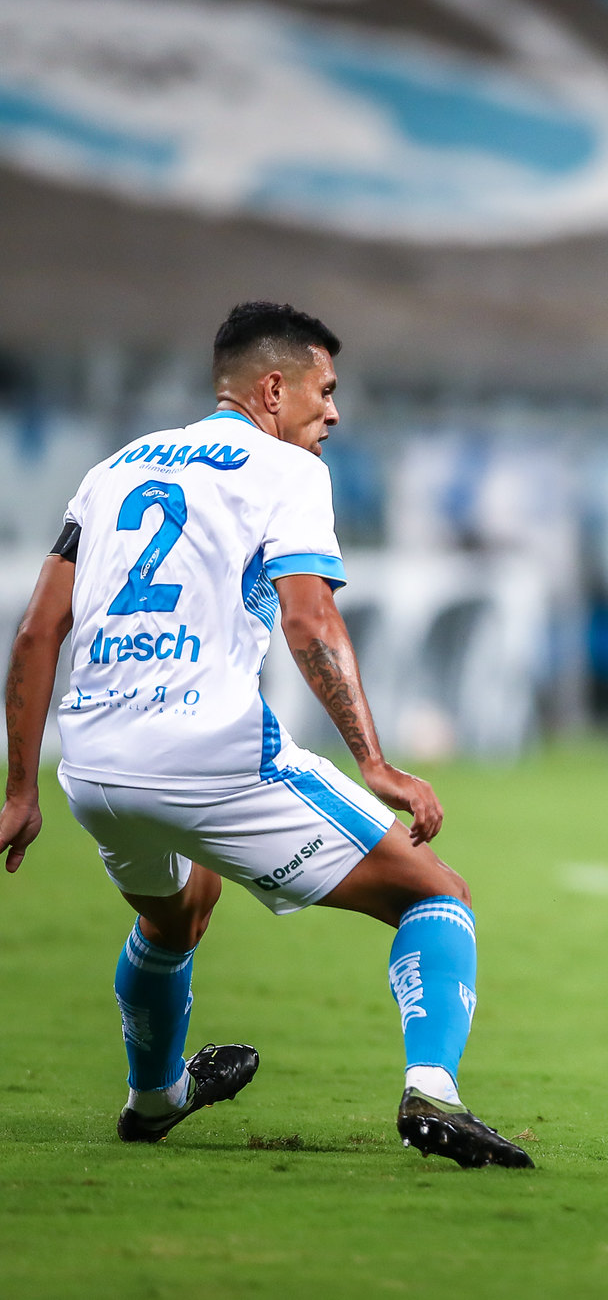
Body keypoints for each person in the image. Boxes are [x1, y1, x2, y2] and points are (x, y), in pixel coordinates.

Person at [0, 302, 529, 1167]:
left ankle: (156, 1095)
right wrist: (375, 762)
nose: (333, 413)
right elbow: (310, 620)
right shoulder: (284, 470)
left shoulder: (110, 471)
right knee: (437, 895)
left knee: (180, 914)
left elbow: (34, 633)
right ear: (272, 387)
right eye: (325, 391)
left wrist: (21, 791)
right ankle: (434, 1093)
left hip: (91, 766)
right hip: (207, 750)